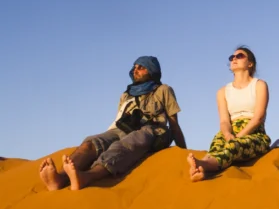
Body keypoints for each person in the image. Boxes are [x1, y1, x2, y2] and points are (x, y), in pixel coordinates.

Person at [39, 56, 186, 191]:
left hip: (152, 131)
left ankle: (86, 177)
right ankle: (60, 178)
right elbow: (117, 121)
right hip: (121, 129)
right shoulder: (126, 95)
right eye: (134, 68)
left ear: (152, 70)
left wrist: (183, 154)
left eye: (141, 67)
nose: (136, 70)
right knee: (91, 143)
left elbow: (174, 124)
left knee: (122, 146)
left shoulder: (163, 90)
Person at [188, 47, 271, 181]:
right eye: (232, 57)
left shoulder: (259, 85)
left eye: (239, 56)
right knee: (216, 145)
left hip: (254, 132)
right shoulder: (222, 91)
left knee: (233, 147)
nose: (234, 59)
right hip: (230, 130)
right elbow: (224, 121)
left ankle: (202, 166)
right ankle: (199, 170)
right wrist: (227, 134)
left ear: (250, 63)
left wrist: (238, 137)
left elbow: (258, 118)